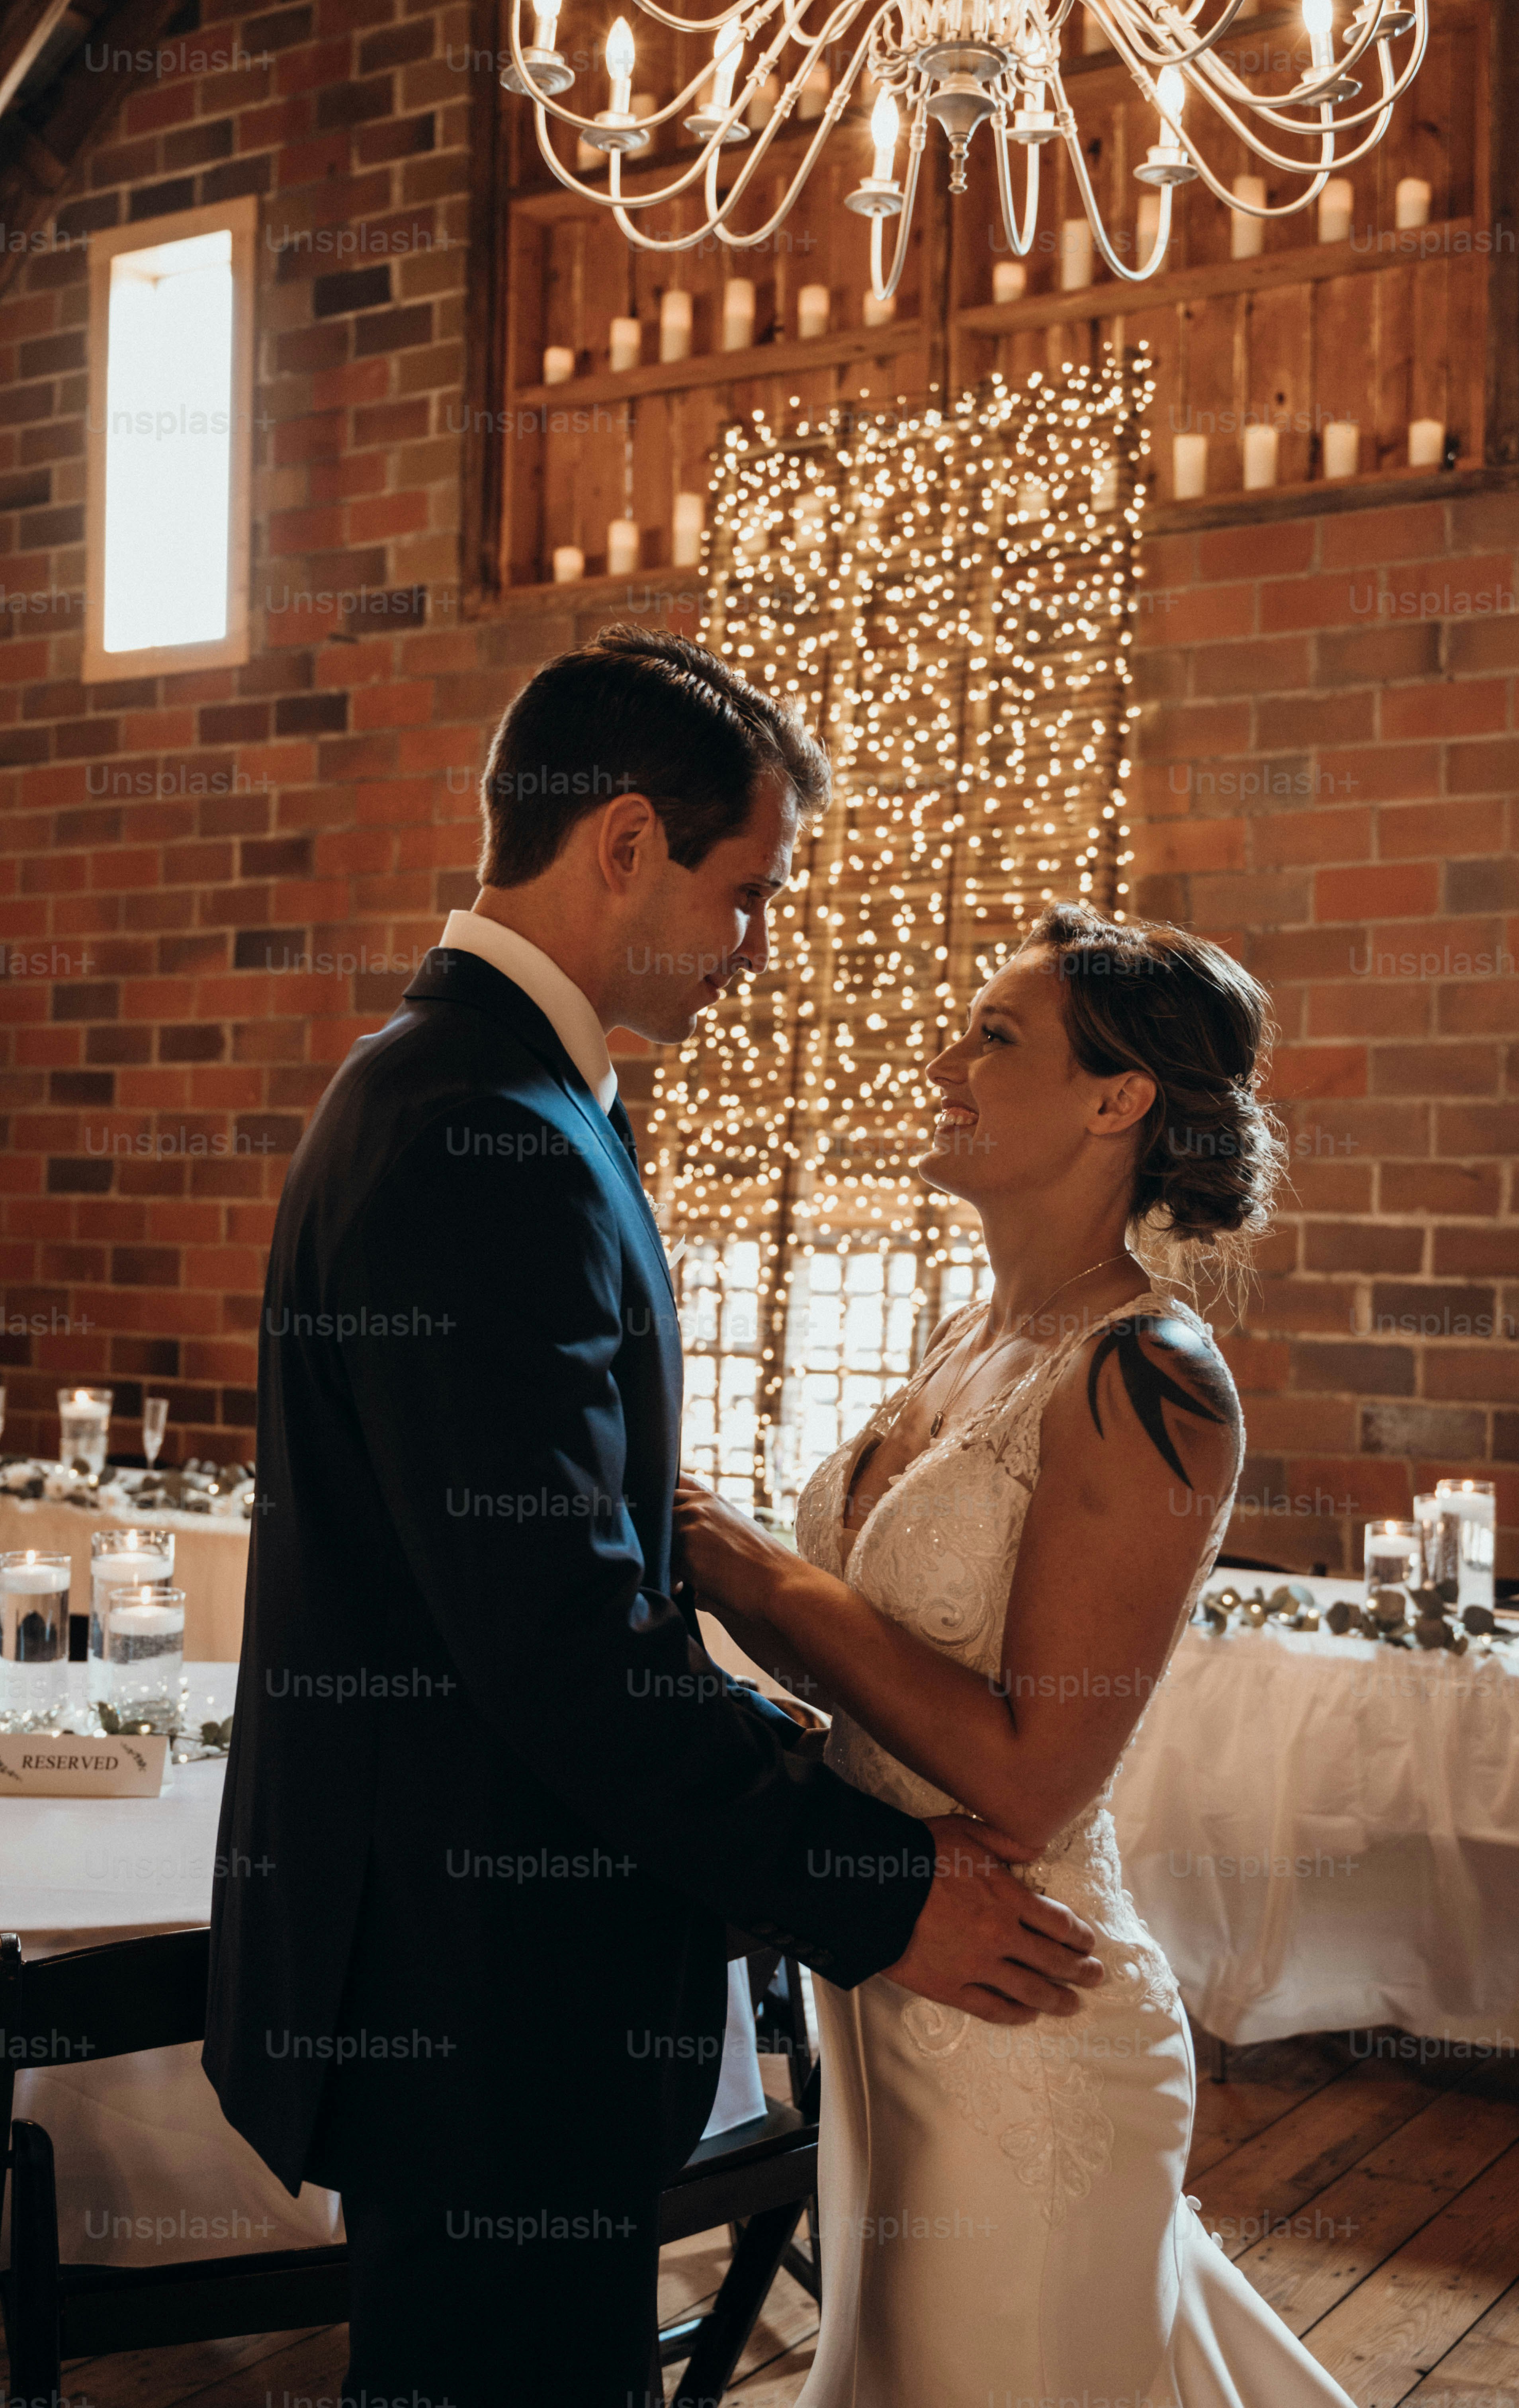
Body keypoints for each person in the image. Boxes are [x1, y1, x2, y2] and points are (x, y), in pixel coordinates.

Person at [204, 628, 1104, 2408]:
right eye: (744, 890)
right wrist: (863, 1888)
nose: (755, 948)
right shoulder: (488, 1130)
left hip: (466, 1959)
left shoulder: (472, 1089)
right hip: (476, 1994)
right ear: (623, 843)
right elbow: (557, 1644)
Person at [676, 904, 1360, 2407]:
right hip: (886, 1980)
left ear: (1119, 1101)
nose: (945, 1062)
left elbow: (1033, 1773)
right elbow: (885, 1695)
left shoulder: (1152, 1374)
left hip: (1024, 2015)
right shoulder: (969, 1335)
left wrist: (749, 1567)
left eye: (994, 1036)